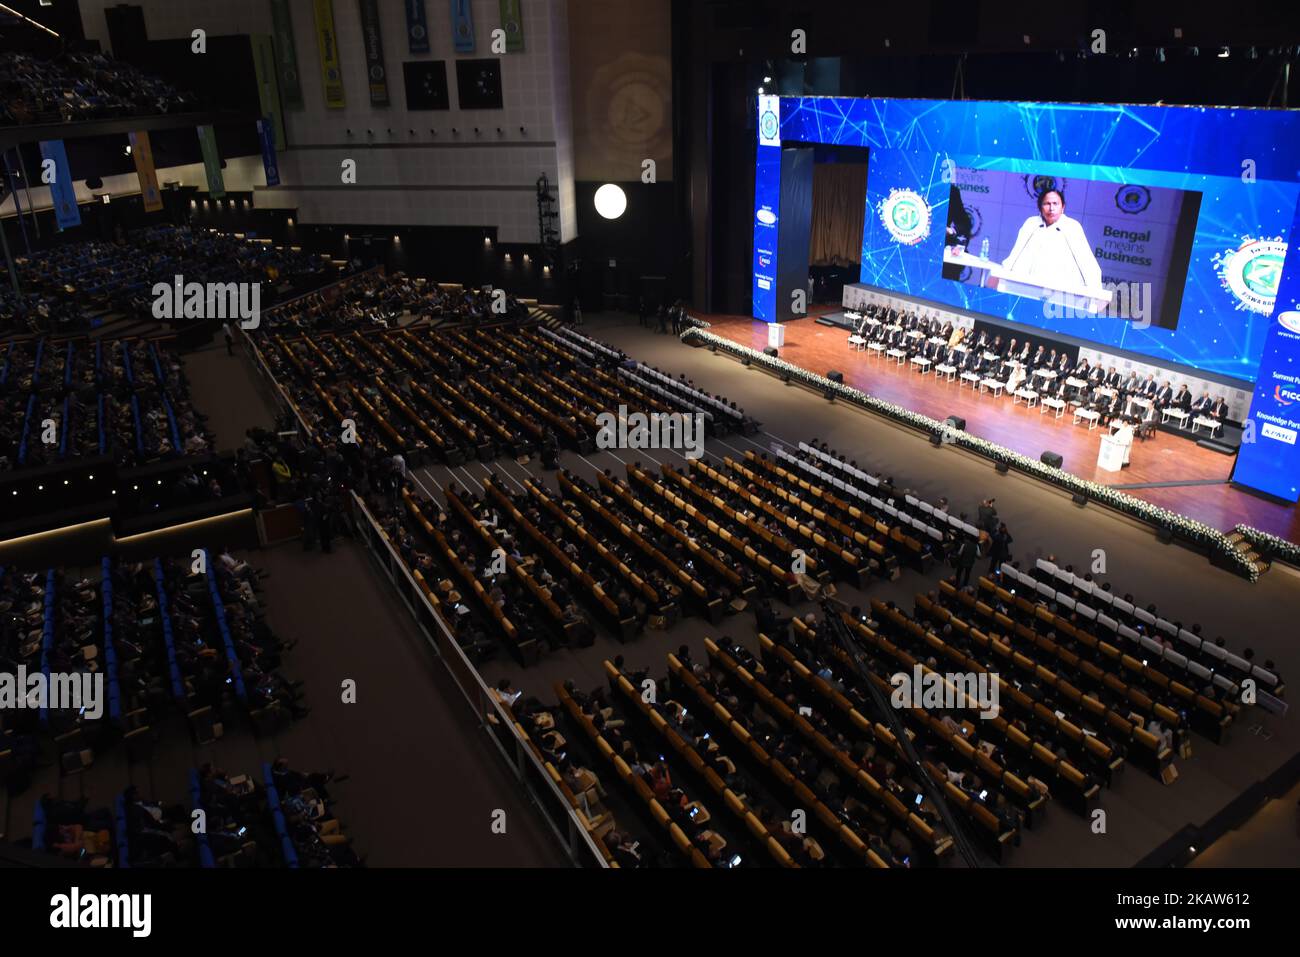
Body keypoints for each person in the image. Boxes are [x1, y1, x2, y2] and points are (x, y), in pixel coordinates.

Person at [992, 188, 1104, 297]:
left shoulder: (1072, 227)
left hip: (1060, 293)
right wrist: (1002, 274)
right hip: (1028, 288)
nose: (1051, 208)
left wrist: (1095, 293)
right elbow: (1015, 254)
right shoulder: (1031, 224)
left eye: (1056, 204)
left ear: (1063, 207)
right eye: (1047, 204)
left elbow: (1087, 262)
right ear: (1040, 207)